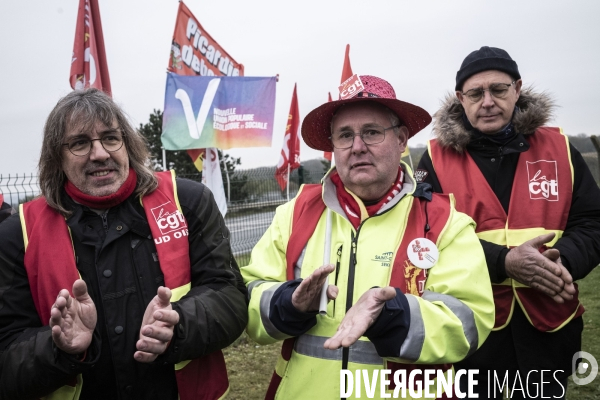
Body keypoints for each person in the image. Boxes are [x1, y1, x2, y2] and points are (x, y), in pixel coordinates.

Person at [242, 75, 495, 399]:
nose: (357, 146)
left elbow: (468, 321)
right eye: (345, 135)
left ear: (402, 140)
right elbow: (249, 295)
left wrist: (391, 316)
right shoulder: (293, 214)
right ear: (333, 146)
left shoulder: (445, 222)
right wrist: (289, 304)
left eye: (372, 132)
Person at [0, 88, 248, 400]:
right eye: (79, 143)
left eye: (110, 138)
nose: (100, 153)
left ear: (127, 144)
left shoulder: (188, 201)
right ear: (56, 158)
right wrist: (58, 348)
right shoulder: (16, 235)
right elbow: (6, 355)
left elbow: (231, 297)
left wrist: (178, 326)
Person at [417, 46, 600, 398]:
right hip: (472, 329)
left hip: (550, 325)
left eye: (498, 90)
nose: (487, 101)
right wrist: (504, 262)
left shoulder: (560, 148)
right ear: (461, 98)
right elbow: (424, 239)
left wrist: (562, 260)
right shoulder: (435, 159)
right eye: (475, 93)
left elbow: (592, 222)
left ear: (517, 89)